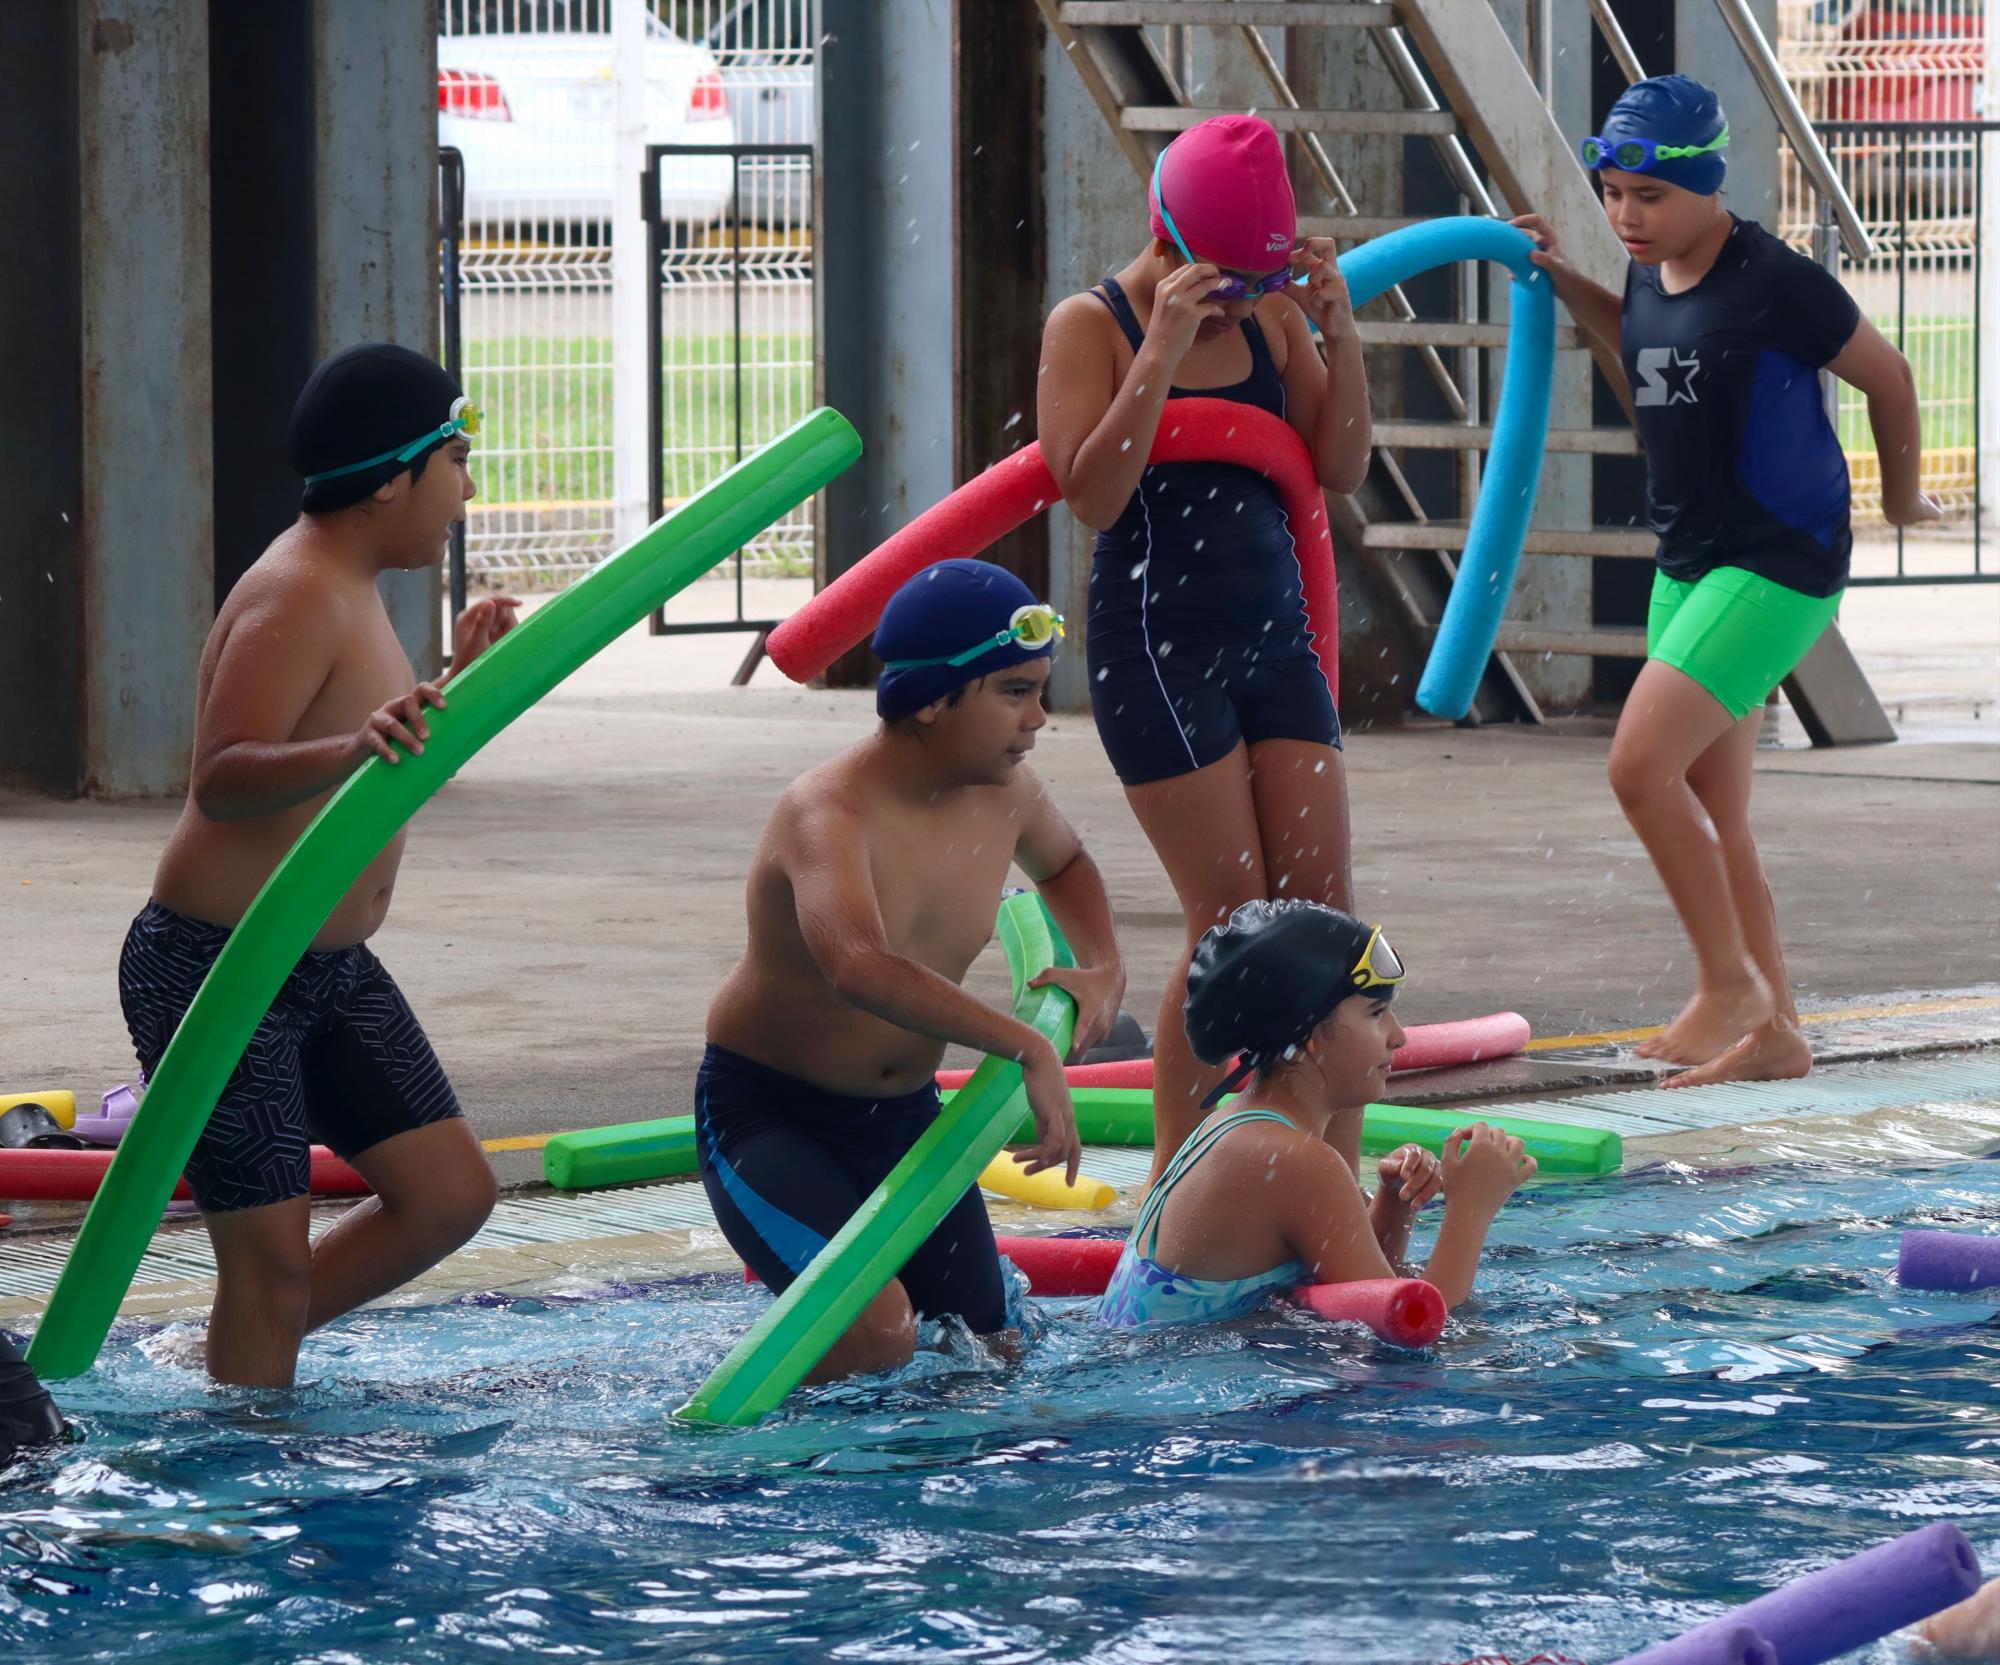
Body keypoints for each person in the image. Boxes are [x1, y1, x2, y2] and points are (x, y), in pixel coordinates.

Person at [1512, 75, 1939, 1087]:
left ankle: (1727, 986)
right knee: (1715, 811)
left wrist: (1900, 499)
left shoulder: (1771, 280)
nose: (1626, 216)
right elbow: (1639, 341)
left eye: (1648, 198)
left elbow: (1887, 375)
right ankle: (1774, 1028)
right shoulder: (1645, 280)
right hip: (1690, 564)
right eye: (1612, 192)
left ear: (1709, 187)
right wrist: (1557, 274)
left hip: (1777, 563)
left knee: (1635, 767)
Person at [119, 343, 518, 1387]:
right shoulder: (296, 591)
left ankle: (244, 1343)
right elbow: (224, 774)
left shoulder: (353, 588)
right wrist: (353, 747)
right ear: (395, 478)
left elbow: (366, 737)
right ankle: (246, 1466)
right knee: (268, 1267)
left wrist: (457, 683)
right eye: (457, 463)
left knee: (448, 1196)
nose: (466, 493)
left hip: (322, 966)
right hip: (223, 967)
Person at [1036, 114, 1373, 1181]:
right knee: (1228, 922)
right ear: (1170, 244)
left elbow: (1342, 466)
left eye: (1253, 283)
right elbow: (1089, 494)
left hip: (1275, 639)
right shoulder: (1087, 329)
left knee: (1322, 921)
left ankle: (1328, 1178)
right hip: (1155, 653)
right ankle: (1179, 1192)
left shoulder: (1274, 317)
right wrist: (1165, 352)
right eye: (1223, 283)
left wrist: (1335, 332)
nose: (1240, 303)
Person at [701, 559, 1126, 1382]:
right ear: (932, 700)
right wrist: (1027, 1047)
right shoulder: (828, 812)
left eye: (1041, 690)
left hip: (903, 1122)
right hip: (769, 1117)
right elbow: (857, 965)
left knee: (994, 1351)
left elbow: (1068, 865)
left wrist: (1104, 964)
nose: (1039, 717)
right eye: (1013, 692)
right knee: (878, 1333)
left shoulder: (1008, 792)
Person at [1097, 900, 1534, 1330]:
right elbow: (1415, 1338)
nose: (1399, 1036)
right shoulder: (1294, 1162)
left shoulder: (1235, 1125)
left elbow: (1368, 1293)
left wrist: (1395, 1203)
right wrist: (1471, 1210)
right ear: (1308, 1034)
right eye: (1376, 1013)